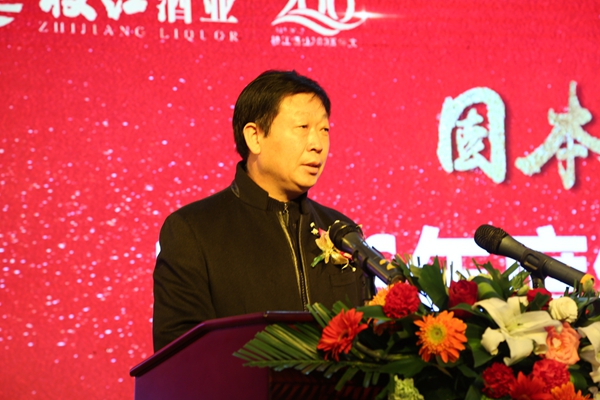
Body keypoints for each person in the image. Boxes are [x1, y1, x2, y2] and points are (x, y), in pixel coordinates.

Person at [152, 70, 366, 352]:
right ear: (254, 137)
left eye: (324, 130)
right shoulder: (193, 231)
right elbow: (180, 355)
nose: (317, 144)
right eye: (303, 127)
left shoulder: (341, 231)